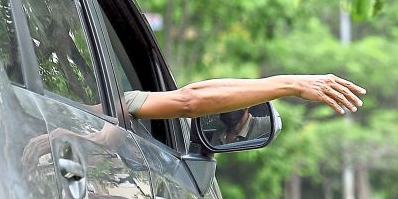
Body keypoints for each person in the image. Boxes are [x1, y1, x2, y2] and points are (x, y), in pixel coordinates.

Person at [123, 74, 365, 120]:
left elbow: (189, 97)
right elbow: (188, 101)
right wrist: (292, 84)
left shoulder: (96, 106)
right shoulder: (107, 107)